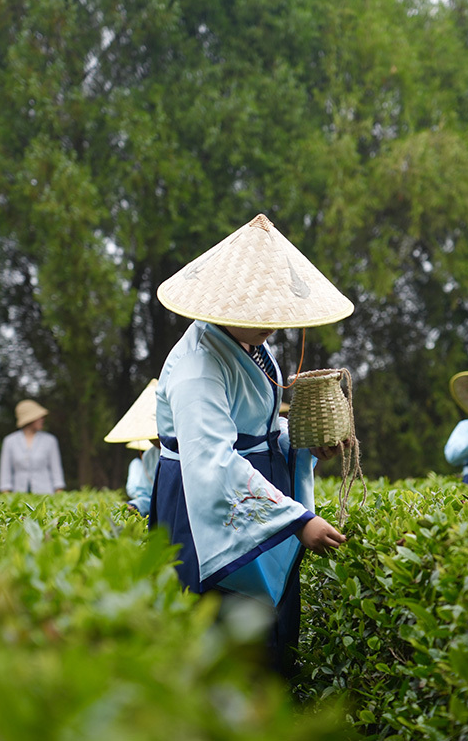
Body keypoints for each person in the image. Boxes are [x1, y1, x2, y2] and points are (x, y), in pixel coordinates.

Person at [150, 214, 353, 678]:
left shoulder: (246, 343)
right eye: (258, 313)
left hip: (254, 495)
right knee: (227, 643)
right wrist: (299, 520)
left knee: (269, 633)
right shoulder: (198, 367)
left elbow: (259, 432)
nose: (270, 324)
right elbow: (212, 463)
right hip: (206, 510)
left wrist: (300, 445)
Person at [104, 379, 161, 515]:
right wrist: (134, 506)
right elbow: (147, 497)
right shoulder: (149, 457)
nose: (153, 440)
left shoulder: (188, 450)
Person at [0, 399, 65, 494]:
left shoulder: (50, 440)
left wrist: (59, 493)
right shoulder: (10, 441)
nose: (42, 419)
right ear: (30, 419)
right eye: (39, 417)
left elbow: (56, 470)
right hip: (19, 495)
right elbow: (5, 472)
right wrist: (6, 495)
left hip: (45, 494)